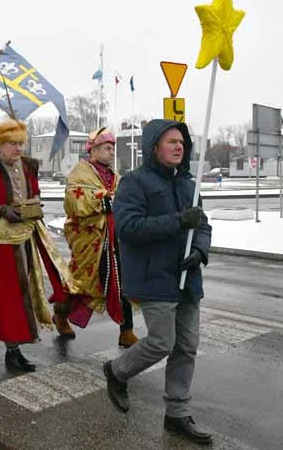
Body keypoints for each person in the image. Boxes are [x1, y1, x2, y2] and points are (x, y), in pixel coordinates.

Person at [102, 119, 213, 445]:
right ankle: (117, 371)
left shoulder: (190, 184)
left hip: (186, 276)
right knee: (162, 342)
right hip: (154, 276)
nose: (179, 146)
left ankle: (177, 413)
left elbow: (202, 225)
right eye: (171, 141)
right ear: (154, 147)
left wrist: (200, 251)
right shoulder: (135, 183)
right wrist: (179, 222)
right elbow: (129, 227)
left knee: (186, 347)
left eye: (182, 142)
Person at [0, 119, 69, 372]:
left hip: (24, 240)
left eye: (20, 143)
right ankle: (13, 351)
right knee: (7, 296)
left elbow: (35, 195)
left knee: (23, 292)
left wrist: (34, 206)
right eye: (12, 144)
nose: (18, 149)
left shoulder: (29, 167)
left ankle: (11, 343)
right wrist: (0, 210)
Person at [61, 127, 138, 347]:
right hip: (91, 240)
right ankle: (60, 313)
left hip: (116, 240)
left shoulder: (115, 176)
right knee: (82, 285)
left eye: (112, 148)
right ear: (93, 150)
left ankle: (126, 330)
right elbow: (72, 203)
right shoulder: (80, 173)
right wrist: (100, 202)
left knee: (122, 281)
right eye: (106, 148)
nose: (111, 152)